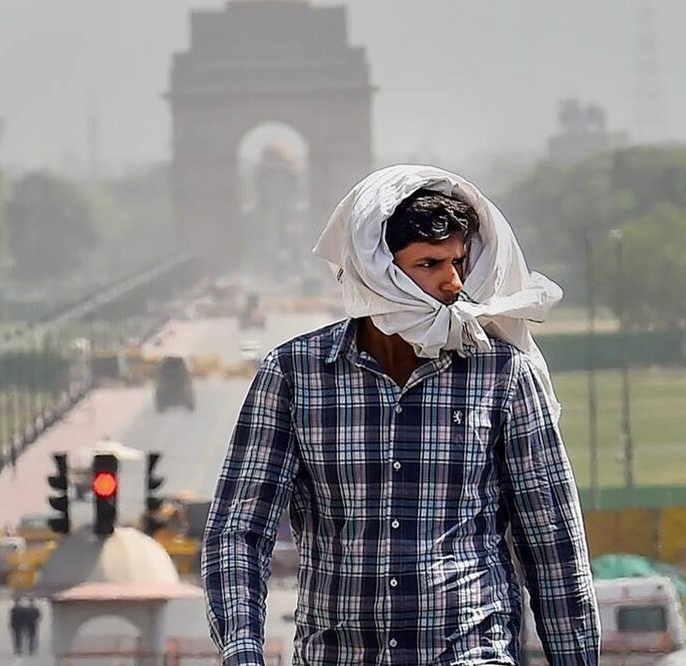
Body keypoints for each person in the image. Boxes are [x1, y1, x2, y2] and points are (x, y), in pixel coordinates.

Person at [202, 165, 599, 665]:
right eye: (429, 264)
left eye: (458, 261)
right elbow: (239, 532)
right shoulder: (295, 376)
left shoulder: (501, 375)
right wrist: (242, 652)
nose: (453, 283)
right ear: (378, 270)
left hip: (471, 651)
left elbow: (552, 543)